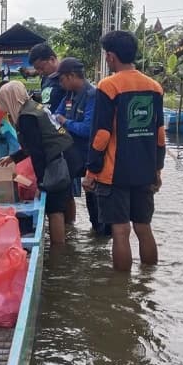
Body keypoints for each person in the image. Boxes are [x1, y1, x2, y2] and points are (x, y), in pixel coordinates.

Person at [82, 30, 165, 271]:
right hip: (145, 170)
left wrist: (91, 170)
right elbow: (160, 134)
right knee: (143, 227)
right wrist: (157, 170)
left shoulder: (108, 86)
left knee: (120, 230)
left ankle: (120, 292)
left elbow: (101, 135)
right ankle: (148, 281)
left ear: (110, 57)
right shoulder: (154, 87)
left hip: (113, 173)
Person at [0, 81, 78, 245]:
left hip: (57, 159)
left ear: (11, 99)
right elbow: (34, 145)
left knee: (54, 209)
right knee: (66, 197)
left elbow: (37, 152)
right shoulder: (33, 106)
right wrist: (13, 158)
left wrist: (41, 185)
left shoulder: (26, 117)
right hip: (69, 154)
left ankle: (59, 252)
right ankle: (71, 233)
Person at [53, 57, 108, 236]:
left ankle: (100, 241)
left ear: (71, 76)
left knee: (96, 205)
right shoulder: (69, 95)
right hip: (72, 154)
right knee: (66, 193)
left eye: (62, 79)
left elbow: (87, 129)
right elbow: (55, 116)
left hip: (91, 157)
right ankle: (73, 230)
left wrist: (65, 123)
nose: (60, 83)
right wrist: (62, 123)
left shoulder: (93, 95)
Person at [19, 42, 65, 111]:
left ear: (52, 59)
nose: (40, 72)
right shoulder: (46, 78)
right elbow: (46, 102)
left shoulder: (67, 78)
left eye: (42, 68)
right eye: (37, 69)